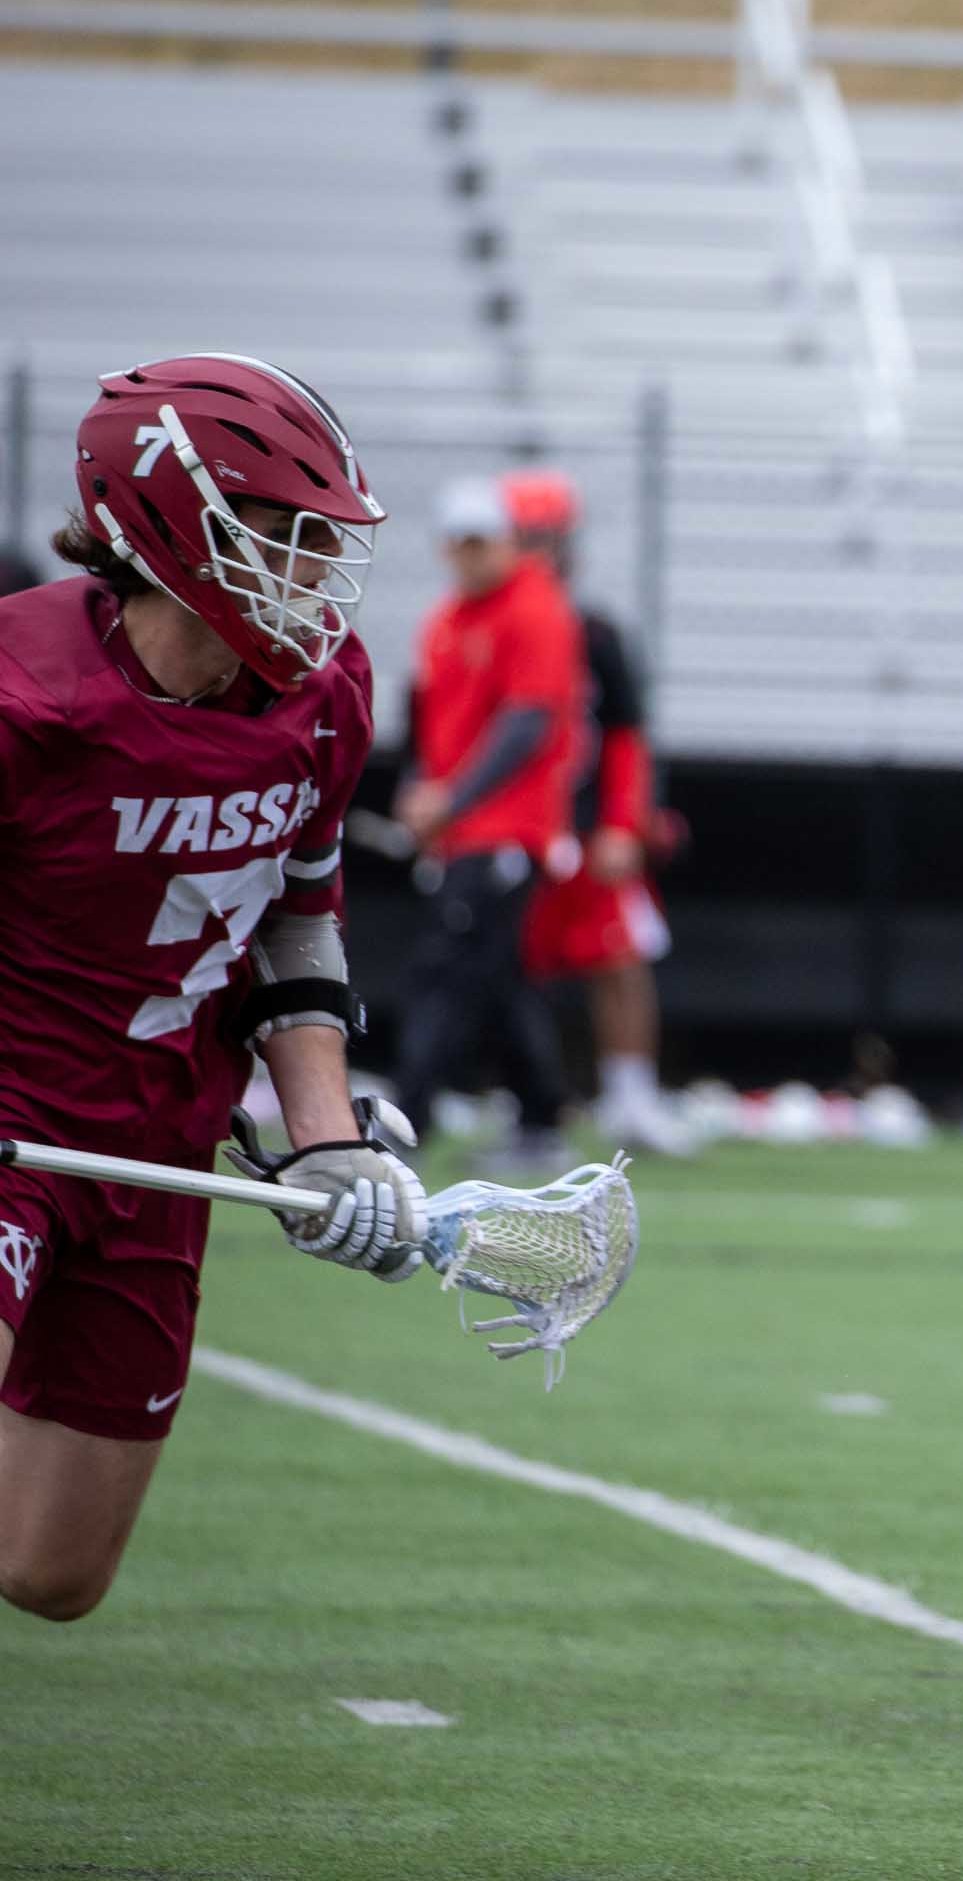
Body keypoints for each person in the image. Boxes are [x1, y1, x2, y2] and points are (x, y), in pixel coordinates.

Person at [0, 355, 429, 1621]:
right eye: (289, 536)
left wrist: (325, 1140)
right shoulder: (26, 700)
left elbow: (297, 915)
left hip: (153, 1145)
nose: (316, 572)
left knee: (51, 1567)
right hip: (12, 1124)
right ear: (177, 530)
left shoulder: (323, 696)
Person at [496, 469, 694, 1157]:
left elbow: (626, 735)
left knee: (620, 959)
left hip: (582, 824)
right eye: (525, 538)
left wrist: (622, 821)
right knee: (508, 967)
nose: (536, 552)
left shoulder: (594, 632)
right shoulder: (484, 626)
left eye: (545, 538)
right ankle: (528, 1102)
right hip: (516, 829)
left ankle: (631, 1096)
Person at [389, 477, 582, 1166]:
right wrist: (419, 790)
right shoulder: (445, 621)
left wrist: (451, 798)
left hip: (509, 826)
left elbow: (528, 721)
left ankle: (404, 1119)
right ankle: (540, 1120)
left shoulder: (535, 607)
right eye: (461, 543)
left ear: (507, 540)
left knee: (446, 970)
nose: (472, 556)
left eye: (484, 541)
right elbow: (426, 725)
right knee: (496, 978)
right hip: (464, 826)